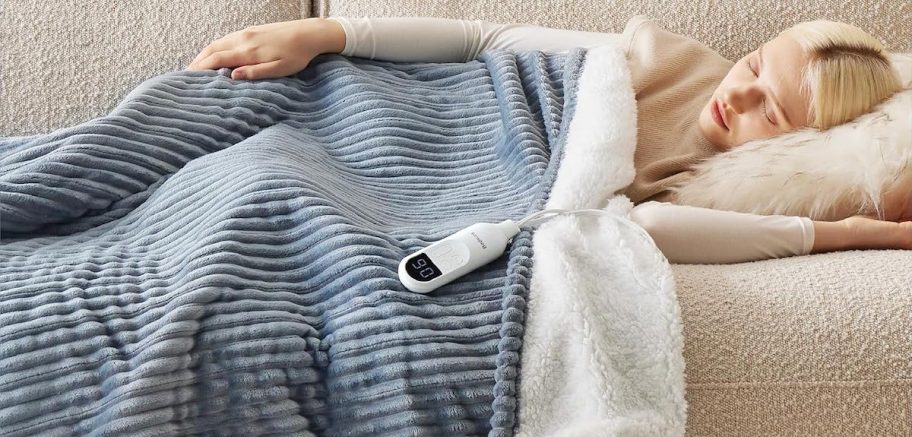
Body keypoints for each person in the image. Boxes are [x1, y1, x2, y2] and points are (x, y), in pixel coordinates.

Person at [186, 16, 910, 264]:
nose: (737, 95)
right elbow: (491, 40)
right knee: (213, 128)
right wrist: (325, 34)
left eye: (770, 112)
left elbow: (648, 226)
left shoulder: (732, 187)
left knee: (259, 206)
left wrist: (839, 230)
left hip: (426, 192)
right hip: (415, 109)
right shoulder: (671, 59)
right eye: (753, 66)